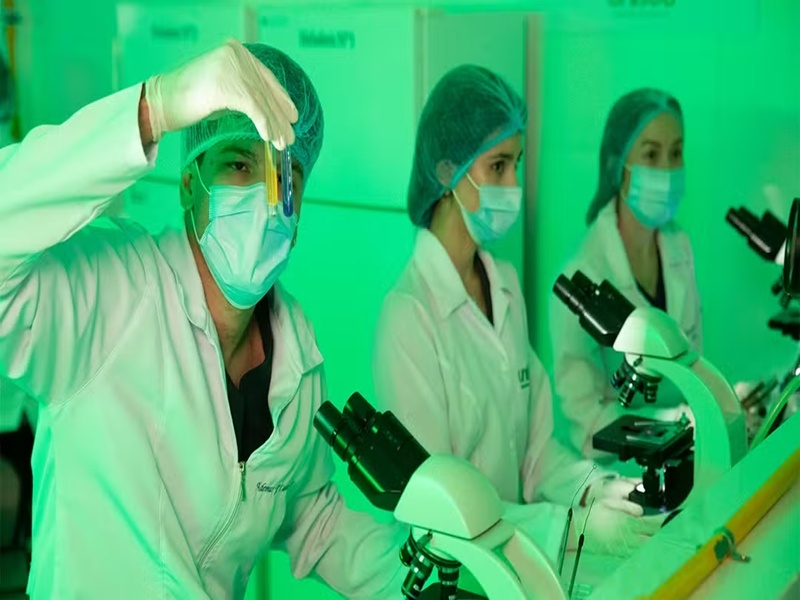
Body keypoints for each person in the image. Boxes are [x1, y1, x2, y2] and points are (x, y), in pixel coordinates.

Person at [0, 40, 406, 599]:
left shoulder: (296, 353)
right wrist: (154, 108)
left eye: (285, 174)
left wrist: (435, 573)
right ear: (190, 183)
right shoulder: (108, 291)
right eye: (239, 163)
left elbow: (312, 519)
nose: (266, 199)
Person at [372, 65, 662, 563]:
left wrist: (596, 488)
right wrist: (572, 527)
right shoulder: (408, 317)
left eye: (517, 164)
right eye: (498, 166)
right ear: (446, 171)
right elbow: (439, 509)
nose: (514, 184)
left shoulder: (504, 284)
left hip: (517, 556)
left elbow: (535, 455)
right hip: (456, 574)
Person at [550, 88, 702, 460]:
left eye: (676, 153)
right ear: (617, 166)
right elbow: (583, 417)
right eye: (650, 154)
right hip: (613, 469)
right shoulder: (583, 270)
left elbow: (695, 364)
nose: (667, 169)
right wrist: (665, 428)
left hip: (684, 452)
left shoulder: (679, 246)